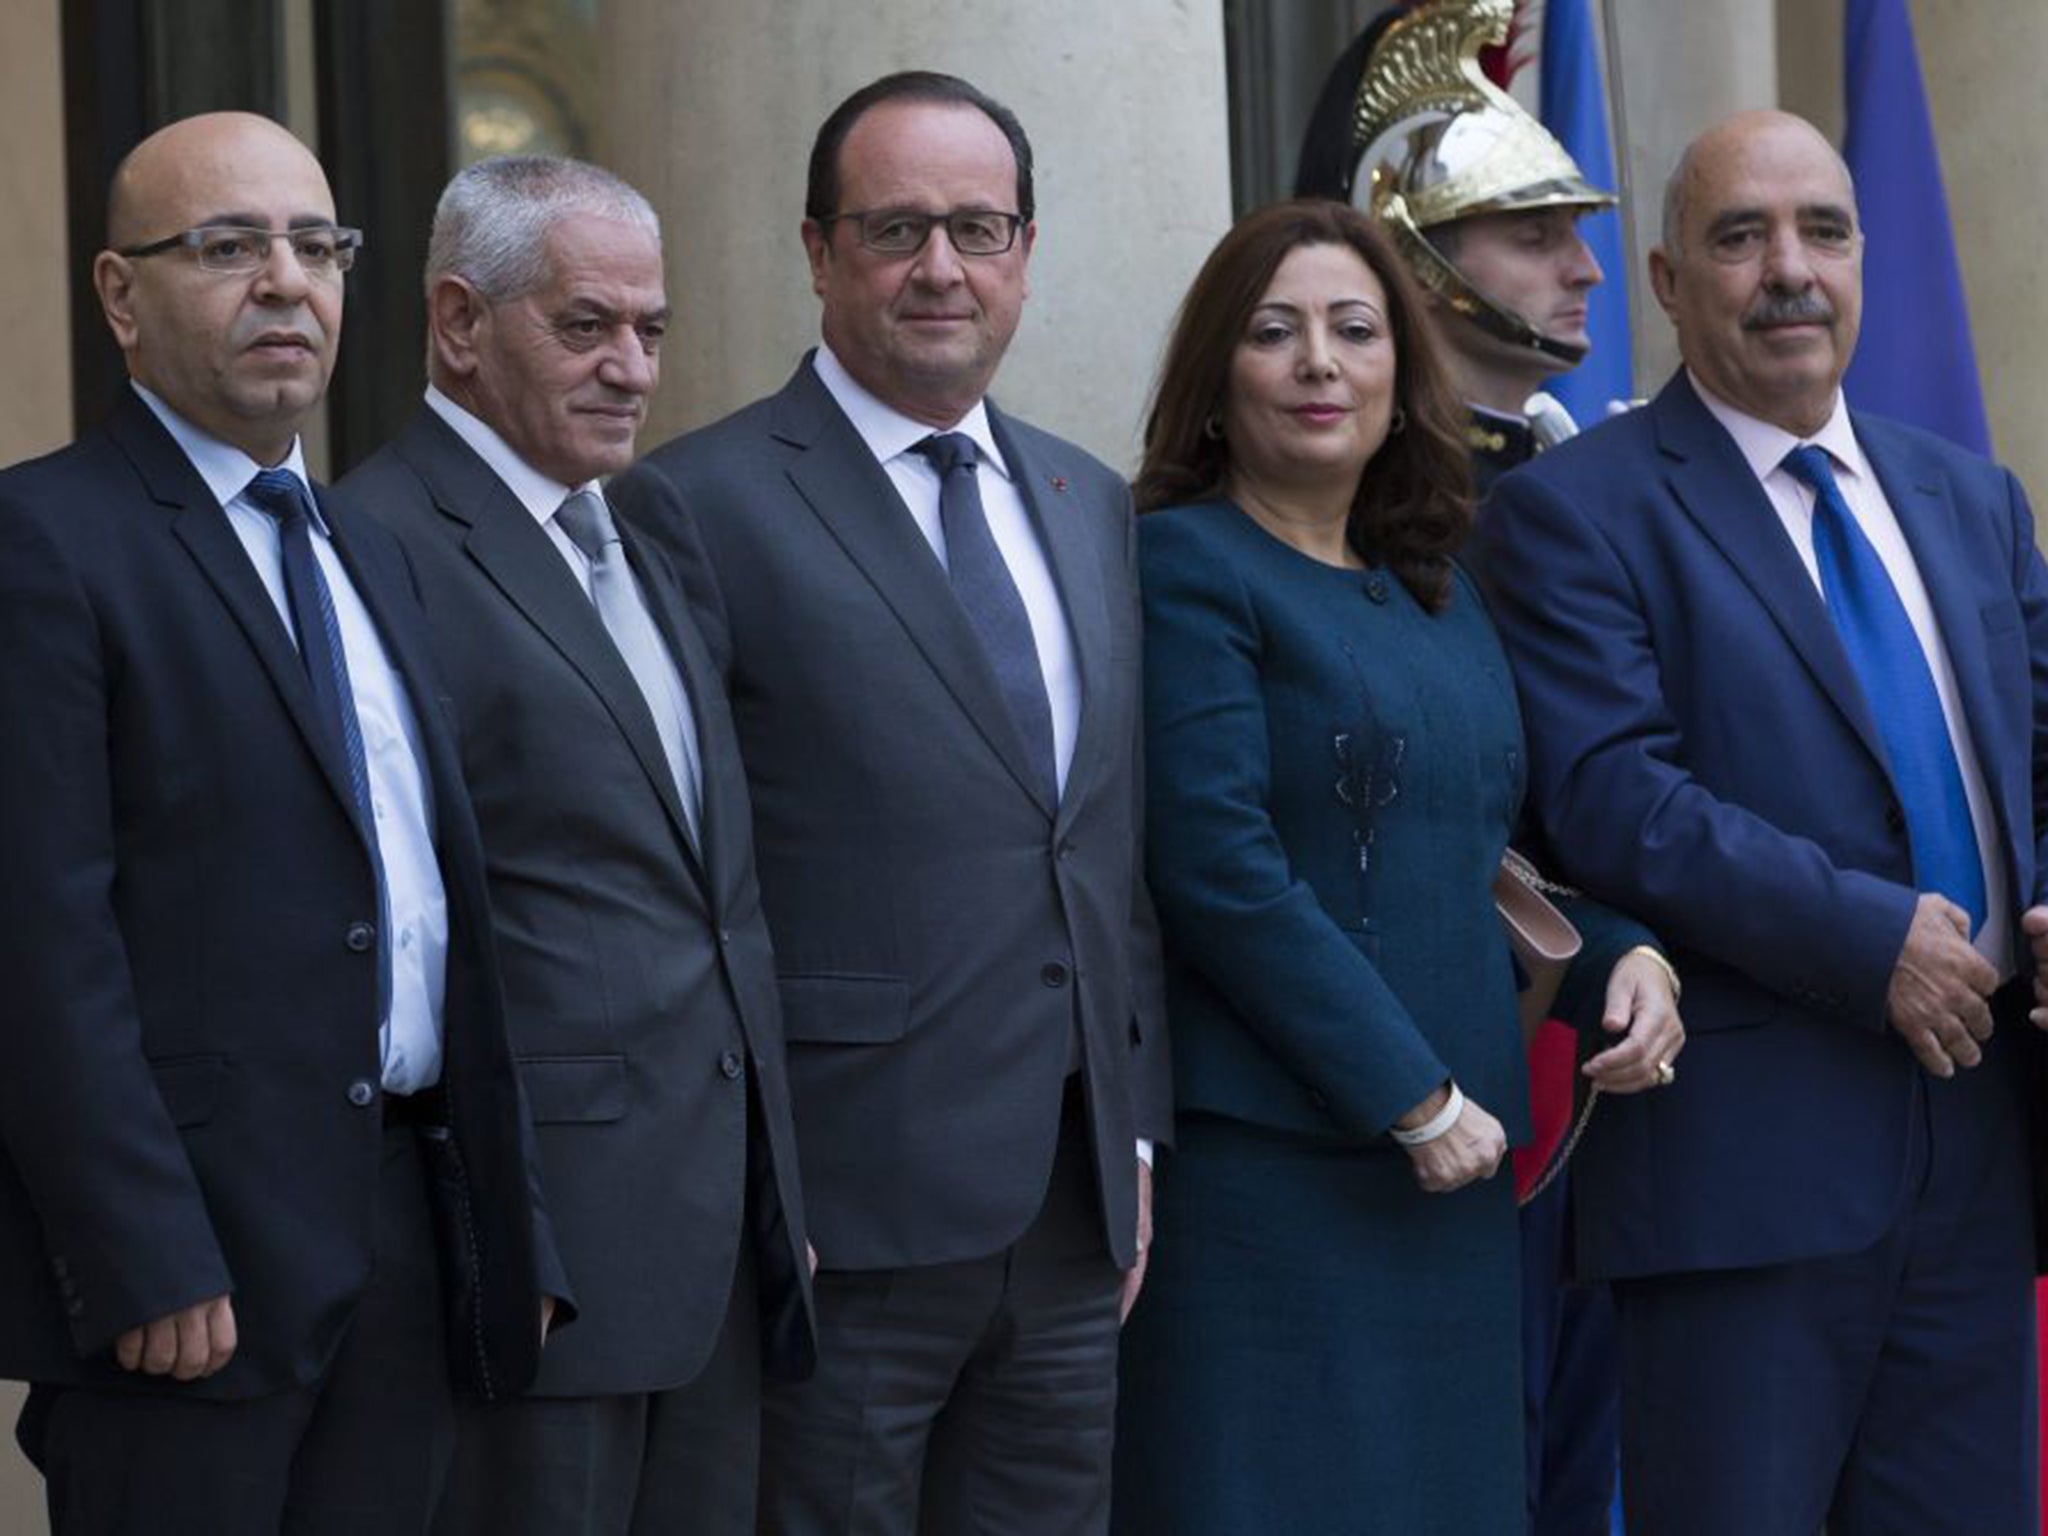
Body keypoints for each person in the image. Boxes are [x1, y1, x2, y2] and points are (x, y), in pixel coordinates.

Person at [607, 69, 1169, 1535]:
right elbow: (685, 883)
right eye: (896, 228)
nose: (942, 268)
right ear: (816, 251)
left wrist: (1134, 1137)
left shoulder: (1083, 499)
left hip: (1067, 1211)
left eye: (980, 229)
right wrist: (750, 1197)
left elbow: (1105, 856)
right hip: (840, 1218)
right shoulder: (696, 504)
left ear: (1026, 254)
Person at [1475, 109, 2048, 1535]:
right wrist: (1871, 941)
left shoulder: (1970, 498)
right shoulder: (1572, 514)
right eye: (1742, 237)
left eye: (1824, 233)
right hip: (1749, 1165)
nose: (1789, 270)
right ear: (1668, 282)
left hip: (1980, 1144)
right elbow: (1614, 797)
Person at [0, 111, 564, 1536]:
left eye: (316, 245)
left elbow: (440, 908)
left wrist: (509, 1227)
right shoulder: (46, 543)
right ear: (122, 297)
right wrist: (141, 1256)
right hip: (192, 1285)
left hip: (402, 1250)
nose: (285, 282)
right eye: (227, 246)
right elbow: (37, 942)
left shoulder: (367, 545)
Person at [1108, 198, 1682, 1536]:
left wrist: (1619, 954)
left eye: (1355, 329)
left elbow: (1476, 855)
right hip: (1272, 1184)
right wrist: (1409, 1097)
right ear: (1216, 377)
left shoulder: (1438, 586)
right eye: (1276, 332)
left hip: (1454, 1194)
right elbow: (1217, 865)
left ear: (1400, 369)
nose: (1320, 362)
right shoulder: (1180, 566)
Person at [333, 156, 813, 1536]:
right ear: (460, 323)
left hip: (715, 1235)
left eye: (651, 331)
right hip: (538, 1265)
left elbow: (719, 891)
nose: (630, 368)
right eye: (584, 325)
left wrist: (773, 1185)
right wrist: (505, 1235)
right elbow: (419, 933)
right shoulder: (379, 543)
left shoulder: (647, 529)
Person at [1297, 4, 1631, 1527]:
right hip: (1409, 1086)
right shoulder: (1330, 515)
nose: (1588, 269)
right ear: (1413, 243)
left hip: (1617, 1058)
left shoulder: (1574, 470)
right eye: (1539, 233)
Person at [1295, 0, 1613, 492]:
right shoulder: (1381, 490)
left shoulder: (1560, 460)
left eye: (1573, 234)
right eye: (1535, 239)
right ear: (1418, 268)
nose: (1588, 270)